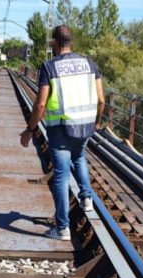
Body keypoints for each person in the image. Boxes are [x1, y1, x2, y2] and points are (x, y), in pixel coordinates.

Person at [20, 25, 105, 241]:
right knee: (79, 157)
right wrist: (97, 121)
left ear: (55, 43)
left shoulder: (50, 67)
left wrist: (30, 130)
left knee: (61, 176)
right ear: (71, 42)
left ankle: (62, 228)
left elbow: (40, 105)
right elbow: (101, 99)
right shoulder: (90, 64)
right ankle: (86, 198)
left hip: (60, 129)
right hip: (85, 125)